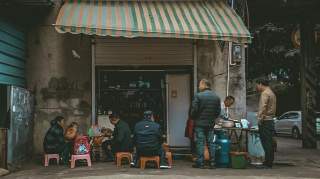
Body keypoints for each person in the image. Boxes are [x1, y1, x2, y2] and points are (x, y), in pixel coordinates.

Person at [190, 79, 221, 169]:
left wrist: (193, 117)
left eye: (200, 84)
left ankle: (200, 163)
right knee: (211, 143)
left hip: (199, 123)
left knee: (200, 142)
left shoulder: (198, 96)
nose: (199, 87)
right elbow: (218, 112)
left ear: (204, 85)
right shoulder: (216, 97)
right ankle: (212, 163)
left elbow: (194, 110)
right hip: (210, 124)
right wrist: (212, 118)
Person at [256, 79, 276, 169]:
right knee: (269, 141)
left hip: (265, 120)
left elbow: (263, 107)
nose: (257, 87)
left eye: (257, 85)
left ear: (261, 84)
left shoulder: (265, 93)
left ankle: (268, 163)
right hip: (270, 120)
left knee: (266, 141)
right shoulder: (271, 92)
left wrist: (259, 118)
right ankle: (269, 161)